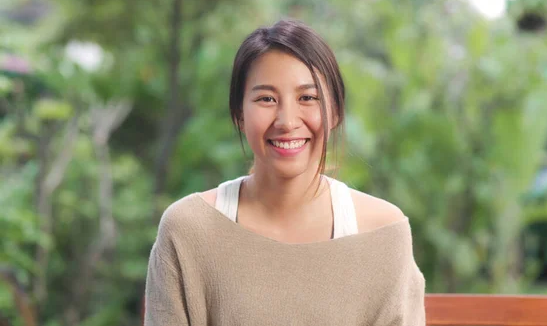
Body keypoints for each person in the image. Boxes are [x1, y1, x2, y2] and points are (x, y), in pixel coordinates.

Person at [144, 19, 426, 325]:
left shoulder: (382, 233)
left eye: (308, 97)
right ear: (239, 114)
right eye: (266, 99)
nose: (287, 121)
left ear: (336, 112)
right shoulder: (187, 230)